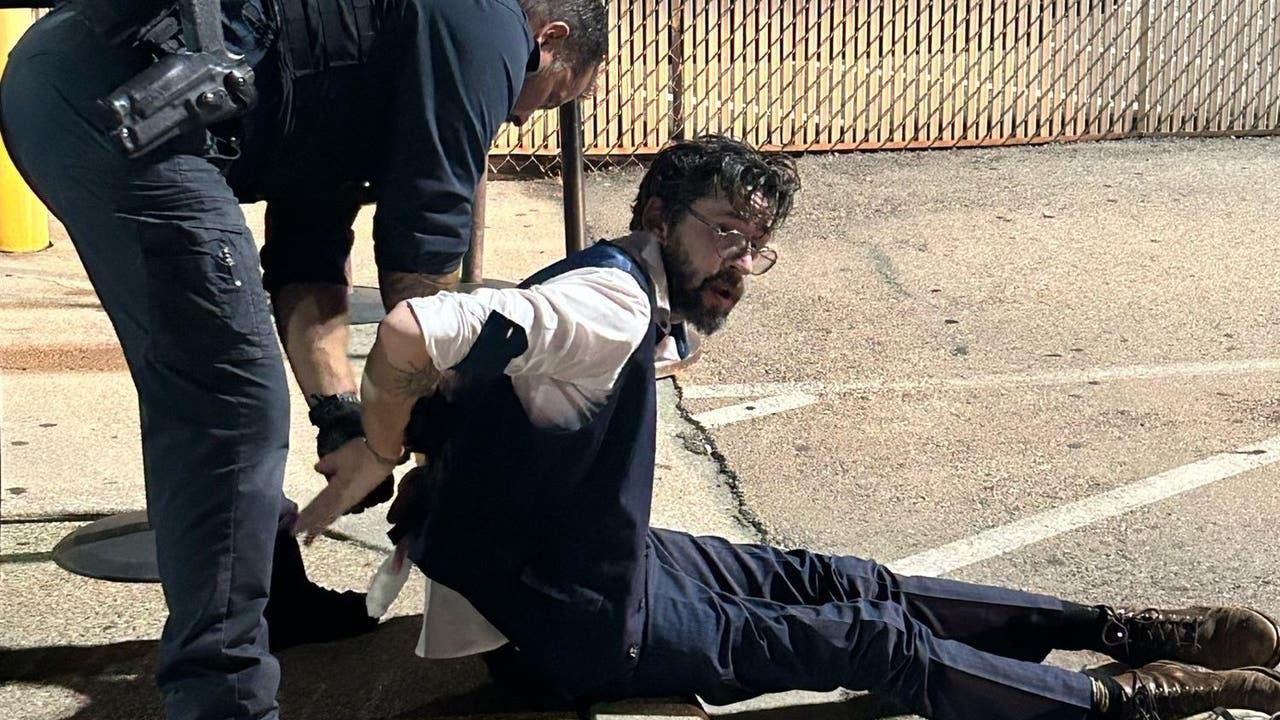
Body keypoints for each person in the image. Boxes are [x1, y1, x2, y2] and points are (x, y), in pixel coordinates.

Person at [292, 134, 1280, 720]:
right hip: (568, 628)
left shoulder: (630, 283)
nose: (739, 260)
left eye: (756, 244)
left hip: (585, 565)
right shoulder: (610, 301)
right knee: (869, 640)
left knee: (852, 583)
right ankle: (1123, 699)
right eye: (724, 231)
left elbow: (500, 379)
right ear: (657, 213)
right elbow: (416, 330)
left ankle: (1110, 628)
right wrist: (376, 446)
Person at [0, 1, 605, 718]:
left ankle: (268, 605)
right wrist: (427, 446)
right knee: (230, 408)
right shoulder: (487, 21)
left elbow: (306, 257)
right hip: (119, 98)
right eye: (549, 99)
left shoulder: (370, 49)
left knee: (215, 385)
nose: (522, 119)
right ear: (549, 39)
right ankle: (224, 698)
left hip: (84, 87)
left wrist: (343, 418)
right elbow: (425, 254)